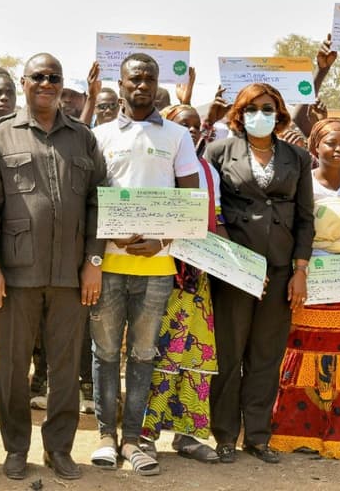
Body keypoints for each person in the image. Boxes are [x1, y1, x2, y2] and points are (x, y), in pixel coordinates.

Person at [0, 53, 106, 481]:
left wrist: (93, 263)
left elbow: (97, 204)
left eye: (54, 77)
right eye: (39, 77)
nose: (46, 83)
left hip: (71, 274)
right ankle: (16, 448)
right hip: (17, 274)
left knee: (66, 368)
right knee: (13, 368)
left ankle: (59, 449)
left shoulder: (82, 139)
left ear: (62, 84)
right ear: (24, 82)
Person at [90, 53, 199, 477]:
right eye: (135, 78)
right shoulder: (97, 135)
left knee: (141, 355)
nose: (142, 86)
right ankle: (104, 437)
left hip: (157, 268)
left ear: (157, 86)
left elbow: (192, 202)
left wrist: (163, 239)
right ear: (120, 83)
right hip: (109, 264)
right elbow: (91, 198)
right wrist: (106, 235)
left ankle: (133, 440)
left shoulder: (176, 136)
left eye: (149, 79)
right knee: (102, 354)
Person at [204, 83, 315, 464]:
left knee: (266, 356)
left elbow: (305, 218)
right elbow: (209, 213)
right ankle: (223, 434)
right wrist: (236, 264)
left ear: (279, 113)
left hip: (282, 270)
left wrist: (300, 269)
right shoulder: (219, 152)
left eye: (267, 108)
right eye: (251, 108)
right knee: (229, 353)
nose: (260, 115)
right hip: (234, 269)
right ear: (239, 113)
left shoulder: (298, 157)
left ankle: (257, 435)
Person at [267, 118, 340, 459]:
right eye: (331, 143)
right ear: (315, 147)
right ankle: (297, 430)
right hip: (309, 277)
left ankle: (338, 430)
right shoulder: (303, 183)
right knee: (302, 346)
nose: (339, 149)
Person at [140, 104, 223, 464]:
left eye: (195, 126)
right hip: (160, 269)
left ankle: (188, 435)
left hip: (197, 275)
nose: (190, 131)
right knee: (157, 352)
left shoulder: (208, 171)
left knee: (195, 353)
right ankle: (143, 433)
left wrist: (237, 265)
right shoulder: (155, 167)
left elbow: (215, 221)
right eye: (181, 124)